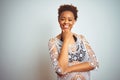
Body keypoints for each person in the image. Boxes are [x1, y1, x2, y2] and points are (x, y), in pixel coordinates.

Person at [48, 4, 99, 80]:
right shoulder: (53, 42)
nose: (66, 22)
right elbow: (60, 70)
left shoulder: (82, 39)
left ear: (74, 21)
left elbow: (95, 63)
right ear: (58, 20)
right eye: (63, 19)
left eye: (70, 19)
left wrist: (68, 69)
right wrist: (66, 39)